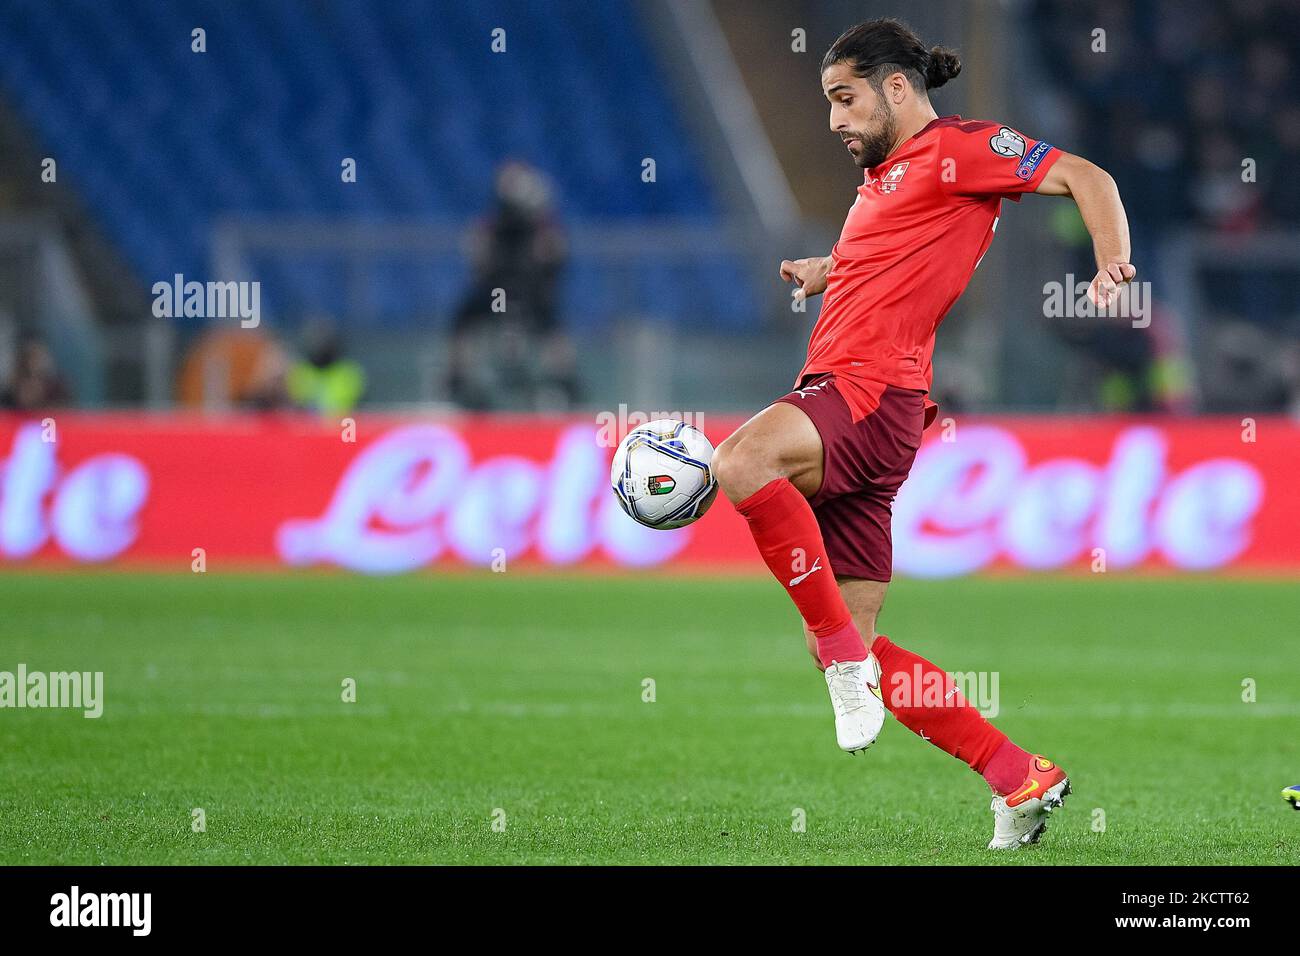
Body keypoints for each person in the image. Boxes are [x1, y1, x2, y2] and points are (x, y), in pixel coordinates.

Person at [710, 19, 1135, 849]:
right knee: (859, 640)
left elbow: (1088, 175)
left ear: (897, 87)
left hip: (863, 394)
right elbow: (898, 252)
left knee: (742, 460)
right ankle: (1020, 777)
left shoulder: (962, 150)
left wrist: (1111, 260)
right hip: (881, 415)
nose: (834, 120)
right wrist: (824, 270)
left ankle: (841, 665)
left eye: (845, 98)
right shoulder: (888, 178)